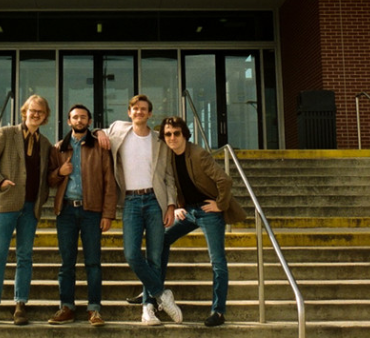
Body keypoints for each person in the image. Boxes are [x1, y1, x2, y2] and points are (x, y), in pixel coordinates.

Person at [95, 94, 183, 326]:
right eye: (135, 108)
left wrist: (171, 205)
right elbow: (96, 131)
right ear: (129, 112)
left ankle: (148, 309)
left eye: (143, 109)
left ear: (150, 114)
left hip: (155, 200)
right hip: (131, 202)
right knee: (132, 254)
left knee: (154, 257)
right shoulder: (117, 130)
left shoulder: (159, 140)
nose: (139, 112)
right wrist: (99, 132)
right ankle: (162, 294)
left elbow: (168, 176)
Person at [159, 116, 247, 327]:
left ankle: (218, 311)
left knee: (217, 261)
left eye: (176, 133)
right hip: (189, 211)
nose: (172, 138)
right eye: (168, 134)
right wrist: (179, 206)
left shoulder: (198, 154)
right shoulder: (169, 155)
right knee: (161, 240)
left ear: (185, 134)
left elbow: (224, 179)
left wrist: (220, 204)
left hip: (209, 211)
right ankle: (154, 291)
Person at [0, 94, 53, 327]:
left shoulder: (46, 144)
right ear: (24, 112)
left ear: (45, 116)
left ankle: (20, 306)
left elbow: (45, 175)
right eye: (32, 110)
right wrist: (0, 182)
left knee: (25, 257)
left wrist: (44, 197)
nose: (36, 114)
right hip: (7, 204)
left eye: (41, 112)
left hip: (31, 207)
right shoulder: (7, 133)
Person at [47, 104, 117, 326]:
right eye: (75, 117)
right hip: (66, 210)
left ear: (89, 121)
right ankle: (66, 307)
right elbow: (49, 180)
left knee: (93, 262)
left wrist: (108, 214)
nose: (79, 120)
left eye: (83, 117)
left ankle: (94, 309)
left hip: (92, 211)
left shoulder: (100, 146)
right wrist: (60, 172)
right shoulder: (59, 148)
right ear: (69, 121)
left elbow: (109, 181)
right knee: (67, 262)